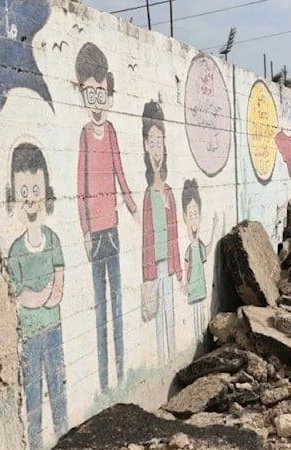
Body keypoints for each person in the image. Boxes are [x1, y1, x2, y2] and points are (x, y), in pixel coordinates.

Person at [75, 42, 137, 390]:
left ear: (109, 96)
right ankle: (101, 380)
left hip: (112, 228)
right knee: (99, 308)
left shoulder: (112, 131)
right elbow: (81, 183)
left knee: (117, 305)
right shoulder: (85, 135)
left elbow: (119, 171)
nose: (97, 101)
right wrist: (84, 229)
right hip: (95, 234)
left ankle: (121, 370)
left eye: (102, 94)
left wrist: (131, 205)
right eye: (91, 94)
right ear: (83, 94)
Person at [6, 142, 67, 450]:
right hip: (30, 333)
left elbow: (58, 286)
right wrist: (40, 297)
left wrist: (43, 296)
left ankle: (63, 437)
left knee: (58, 385)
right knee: (33, 392)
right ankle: (36, 446)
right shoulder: (16, 250)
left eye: (35, 189)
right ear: (14, 196)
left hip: (53, 327)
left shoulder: (53, 239)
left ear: (47, 192)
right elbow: (19, 294)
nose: (30, 198)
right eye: (24, 191)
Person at [141, 100, 182, 362]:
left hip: (168, 266)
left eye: (160, 143)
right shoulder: (148, 194)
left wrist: (178, 270)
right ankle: (165, 360)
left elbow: (175, 235)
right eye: (152, 142)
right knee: (158, 319)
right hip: (154, 268)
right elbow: (146, 237)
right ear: (146, 145)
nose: (157, 149)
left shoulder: (168, 193)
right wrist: (147, 276)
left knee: (170, 314)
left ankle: (171, 359)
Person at [181, 179, 218, 343]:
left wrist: (215, 227)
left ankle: (202, 339)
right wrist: (184, 283)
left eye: (196, 214)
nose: (194, 219)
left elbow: (208, 250)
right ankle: (197, 340)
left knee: (200, 311)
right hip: (193, 284)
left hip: (200, 283)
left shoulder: (199, 245)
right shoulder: (190, 248)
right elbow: (186, 264)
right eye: (191, 215)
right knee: (195, 310)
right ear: (185, 217)